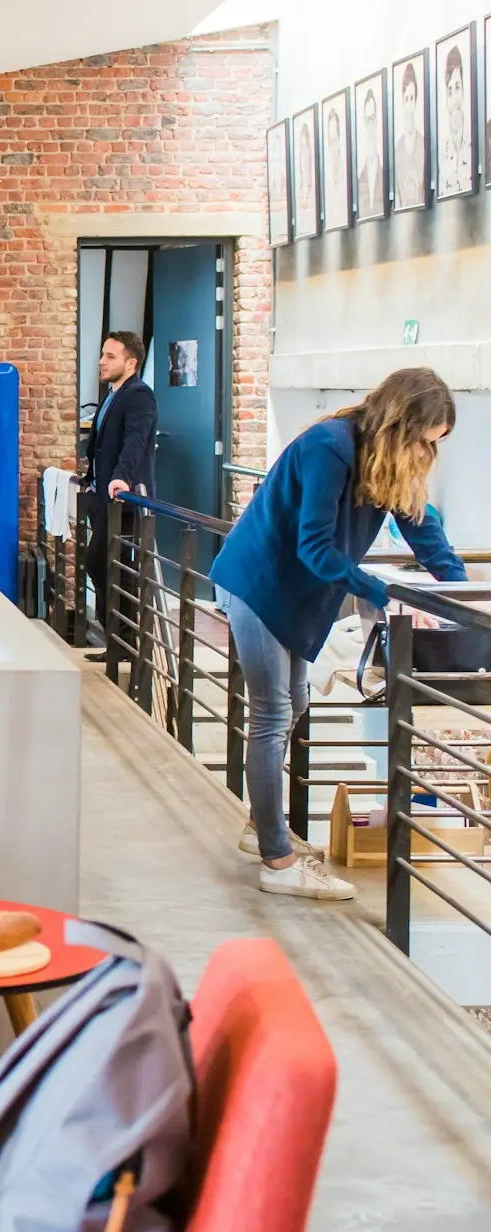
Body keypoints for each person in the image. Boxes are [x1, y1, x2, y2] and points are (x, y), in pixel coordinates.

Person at [211, 368, 466, 901]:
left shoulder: (385, 459)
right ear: (403, 423)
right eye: (425, 440)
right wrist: (379, 592)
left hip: (297, 597)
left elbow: (422, 527)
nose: (427, 453)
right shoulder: (331, 447)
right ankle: (277, 861)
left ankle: (263, 825)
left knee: (295, 702)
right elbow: (316, 548)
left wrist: (464, 598)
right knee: (274, 713)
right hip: (257, 585)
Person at [82, 332, 158, 663]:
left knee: (105, 564)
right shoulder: (112, 394)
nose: (102, 361)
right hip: (101, 497)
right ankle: (117, 641)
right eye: (102, 354)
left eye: (110, 356)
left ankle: (124, 640)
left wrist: (120, 477)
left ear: (131, 363)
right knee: (107, 565)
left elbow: (135, 440)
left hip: (123, 499)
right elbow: (101, 444)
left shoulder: (139, 395)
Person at [440, 43, 471, 196]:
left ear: (464, 88)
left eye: (457, 88)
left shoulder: (476, 140)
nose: (453, 98)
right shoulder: (441, 149)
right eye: (449, 90)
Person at [395, 61, 426, 204]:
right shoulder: (397, 151)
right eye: (406, 98)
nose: (409, 105)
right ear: (402, 101)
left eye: (412, 98)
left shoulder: (424, 145)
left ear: (416, 101)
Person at [357, 86, 385, 218]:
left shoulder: (386, 174)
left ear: (378, 121)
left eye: (373, 119)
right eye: (367, 120)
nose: (370, 125)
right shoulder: (359, 180)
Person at [323, 101, 348, 223]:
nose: (332, 147)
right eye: (330, 141)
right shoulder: (324, 185)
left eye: (335, 140)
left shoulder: (348, 180)